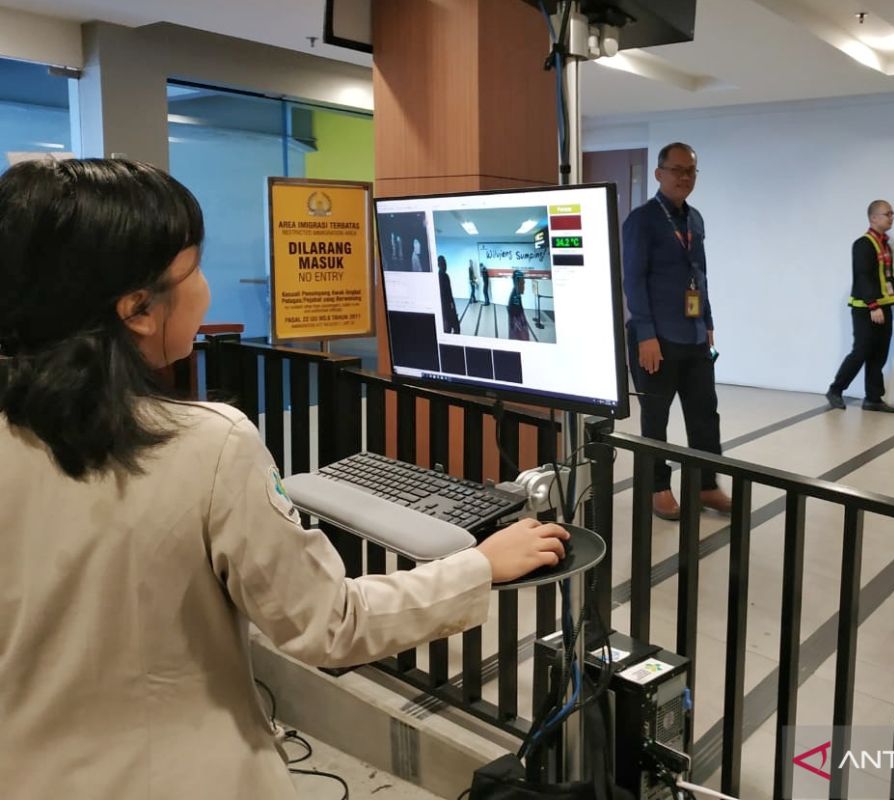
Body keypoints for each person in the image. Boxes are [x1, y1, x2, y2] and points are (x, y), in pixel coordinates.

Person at [0, 159, 569, 799]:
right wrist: (480, 565)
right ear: (136, 309)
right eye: (194, 270)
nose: (206, 290)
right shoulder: (207, 446)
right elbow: (328, 623)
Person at [622, 142, 732, 521]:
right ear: (659, 173)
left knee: (705, 414)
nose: (684, 177)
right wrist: (646, 334)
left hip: (694, 335)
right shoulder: (642, 220)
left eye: (691, 171)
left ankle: (706, 485)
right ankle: (658, 488)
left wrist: (709, 322)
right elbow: (633, 280)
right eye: (677, 170)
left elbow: (699, 275)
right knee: (656, 417)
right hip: (656, 338)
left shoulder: (695, 219)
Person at [826, 200, 894, 413]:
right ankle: (835, 390)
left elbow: (886, 276)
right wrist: (873, 306)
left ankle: (873, 398)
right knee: (861, 351)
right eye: (887, 213)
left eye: (892, 213)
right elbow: (863, 277)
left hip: (884, 306)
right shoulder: (863, 244)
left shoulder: (885, 245)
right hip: (866, 308)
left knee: (879, 354)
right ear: (873, 218)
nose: (891, 217)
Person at [437, 254, 461, 334]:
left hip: (450, 308)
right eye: (443, 263)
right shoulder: (439, 278)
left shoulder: (446, 276)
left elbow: (449, 294)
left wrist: (453, 307)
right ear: (439, 265)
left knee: (456, 328)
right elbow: (443, 296)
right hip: (446, 310)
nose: (445, 265)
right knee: (449, 330)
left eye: (445, 263)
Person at [507, 269, 531, 341]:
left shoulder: (516, 295)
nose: (524, 284)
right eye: (522, 282)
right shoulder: (515, 297)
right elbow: (514, 313)